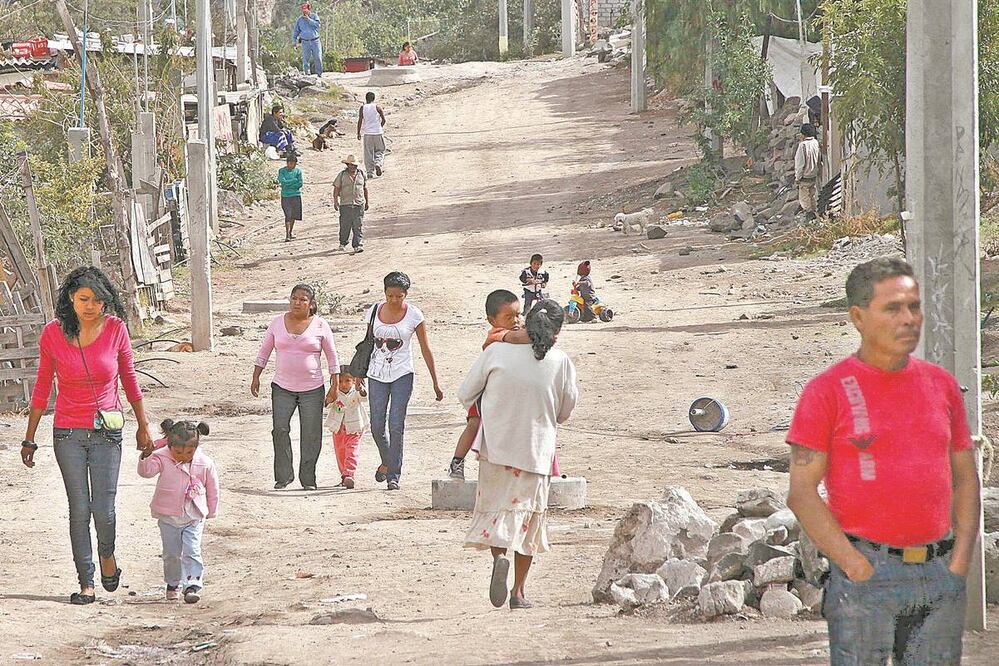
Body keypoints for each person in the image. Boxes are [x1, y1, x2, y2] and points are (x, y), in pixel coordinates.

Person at [786, 258, 979, 665]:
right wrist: (854, 565)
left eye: (914, 306)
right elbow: (802, 493)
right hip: (866, 577)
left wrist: (960, 561)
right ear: (858, 317)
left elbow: (965, 478)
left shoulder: (941, 386)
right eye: (892, 308)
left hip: (938, 573)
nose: (908, 319)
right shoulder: (826, 392)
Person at [20, 266, 153, 605]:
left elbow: (129, 379)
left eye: (97, 300)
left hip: (107, 433)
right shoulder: (53, 334)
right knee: (79, 509)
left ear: (106, 301)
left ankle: (107, 554)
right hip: (67, 433)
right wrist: (29, 437)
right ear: (70, 299)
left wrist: (143, 425)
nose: (90, 306)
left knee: (103, 509)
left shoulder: (116, 330)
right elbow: (42, 386)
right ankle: (86, 582)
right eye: (83, 299)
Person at [459, 299, 578, 609]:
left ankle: (499, 557)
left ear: (527, 322)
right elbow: (565, 411)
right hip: (536, 451)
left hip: (496, 448)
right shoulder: (561, 361)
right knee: (529, 521)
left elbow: (465, 394)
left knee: (495, 509)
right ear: (556, 331)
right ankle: (519, 593)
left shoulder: (496, 351)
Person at [251, 284, 339, 490]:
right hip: (282, 387)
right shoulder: (276, 323)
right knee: (279, 430)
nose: (297, 303)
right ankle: (283, 476)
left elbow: (332, 356)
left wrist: (334, 385)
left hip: (312, 388)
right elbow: (264, 351)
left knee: (311, 433)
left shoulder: (321, 325)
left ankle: (308, 479)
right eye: (294, 298)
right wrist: (256, 376)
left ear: (311, 303)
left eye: (303, 300)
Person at [362, 271, 444, 490]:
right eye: (390, 295)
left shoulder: (414, 315)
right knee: (376, 425)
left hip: (402, 375)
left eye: (399, 296)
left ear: (406, 294)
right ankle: (387, 462)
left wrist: (435, 381)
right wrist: (358, 374)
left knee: (396, 424)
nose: (394, 300)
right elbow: (367, 343)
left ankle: (393, 475)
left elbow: (425, 348)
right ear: (384, 293)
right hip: (376, 375)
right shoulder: (374, 311)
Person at [448, 289, 531, 480]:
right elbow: (518, 339)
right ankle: (457, 461)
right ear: (492, 320)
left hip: (507, 392)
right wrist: (543, 333)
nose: (516, 321)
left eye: (518, 315)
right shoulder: (498, 334)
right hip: (485, 392)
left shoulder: (517, 331)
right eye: (508, 317)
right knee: (474, 424)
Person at [137, 420, 220, 604]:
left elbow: (213, 488)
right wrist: (147, 454)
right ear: (170, 446)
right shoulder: (161, 458)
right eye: (179, 452)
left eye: (189, 453)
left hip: (194, 516)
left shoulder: (205, 463)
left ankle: (192, 584)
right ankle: (173, 583)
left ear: (196, 448)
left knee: (192, 550)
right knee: (171, 554)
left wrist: (211, 510)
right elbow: (146, 472)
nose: (184, 457)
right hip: (168, 517)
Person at [324, 366, 367, 489]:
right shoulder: (335, 392)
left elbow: (364, 397)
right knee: (340, 452)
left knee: (352, 451)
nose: (343, 384)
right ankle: (344, 476)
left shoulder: (356, 392)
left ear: (354, 381)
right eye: (340, 381)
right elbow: (327, 404)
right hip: (338, 428)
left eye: (347, 381)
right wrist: (329, 397)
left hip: (354, 428)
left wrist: (361, 389)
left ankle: (349, 474)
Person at [332, 154, 369, 254]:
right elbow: (336, 188)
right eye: (351, 165)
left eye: (355, 165)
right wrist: (335, 201)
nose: (353, 167)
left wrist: (367, 202)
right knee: (345, 225)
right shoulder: (342, 175)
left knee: (358, 225)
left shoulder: (361, 174)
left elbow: (365, 188)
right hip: (345, 204)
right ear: (347, 165)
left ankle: (358, 245)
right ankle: (343, 243)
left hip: (358, 204)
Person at [356, 91, 386, 179]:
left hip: (367, 133)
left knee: (368, 153)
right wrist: (379, 127)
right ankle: (378, 163)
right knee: (380, 150)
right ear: (374, 98)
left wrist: (358, 132)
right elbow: (384, 120)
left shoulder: (362, 108)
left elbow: (360, 120)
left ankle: (370, 172)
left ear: (366, 98)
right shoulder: (378, 107)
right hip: (378, 133)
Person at [795, 123, 820, 219]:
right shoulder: (815, 143)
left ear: (804, 134)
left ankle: (810, 214)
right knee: (812, 195)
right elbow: (818, 158)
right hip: (813, 175)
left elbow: (800, 164)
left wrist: (798, 177)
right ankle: (815, 213)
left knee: (804, 198)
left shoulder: (803, 145)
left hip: (805, 176)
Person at [277, 154, 303, 242]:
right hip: (286, 196)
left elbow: (300, 183)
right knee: (288, 215)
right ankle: (287, 234)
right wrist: (293, 181)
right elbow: (282, 182)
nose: (292, 165)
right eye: (291, 163)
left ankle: (290, 232)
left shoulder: (298, 171)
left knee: (294, 215)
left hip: (296, 195)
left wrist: (288, 184)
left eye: (294, 164)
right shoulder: (282, 171)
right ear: (287, 163)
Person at [293, 3, 322, 76]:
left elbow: (318, 25)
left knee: (318, 57)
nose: (304, 12)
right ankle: (306, 73)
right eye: (303, 10)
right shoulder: (300, 20)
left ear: (309, 10)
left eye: (306, 10)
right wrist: (294, 41)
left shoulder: (314, 16)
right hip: (305, 42)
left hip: (315, 41)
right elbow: (296, 31)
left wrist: (309, 20)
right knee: (305, 59)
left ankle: (319, 74)